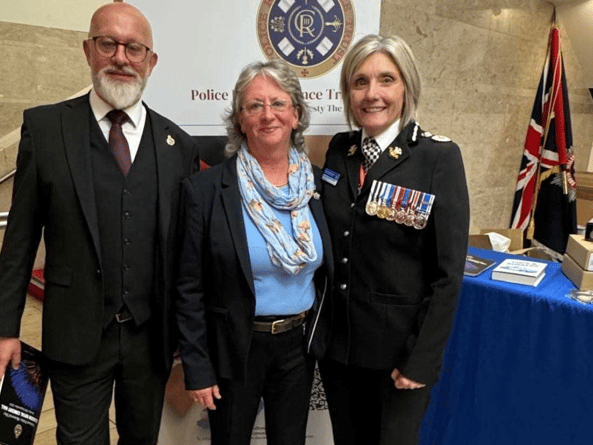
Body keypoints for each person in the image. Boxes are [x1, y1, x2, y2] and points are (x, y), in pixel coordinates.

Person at [0, 3, 198, 444]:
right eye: (109, 43)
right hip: (76, 332)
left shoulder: (177, 143)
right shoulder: (46, 128)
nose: (121, 57)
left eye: (134, 48)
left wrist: (186, 335)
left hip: (150, 339)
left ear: (151, 61)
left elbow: (183, 252)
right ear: (88, 50)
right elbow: (20, 236)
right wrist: (5, 328)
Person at [319, 34, 470, 445]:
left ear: (407, 87)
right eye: (359, 82)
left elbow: (447, 275)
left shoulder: (438, 158)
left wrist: (420, 360)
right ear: (348, 92)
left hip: (398, 358)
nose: (372, 94)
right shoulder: (340, 151)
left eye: (387, 79)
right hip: (341, 352)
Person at [175, 60, 333, 445]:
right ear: (240, 120)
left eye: (278, 104)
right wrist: (197, 367)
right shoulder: (207, 190)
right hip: (234, 349)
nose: (268, 115)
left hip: (298, 346)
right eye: (254, 106)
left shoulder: (318, 183)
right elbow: (187, 286)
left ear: (296, 115)